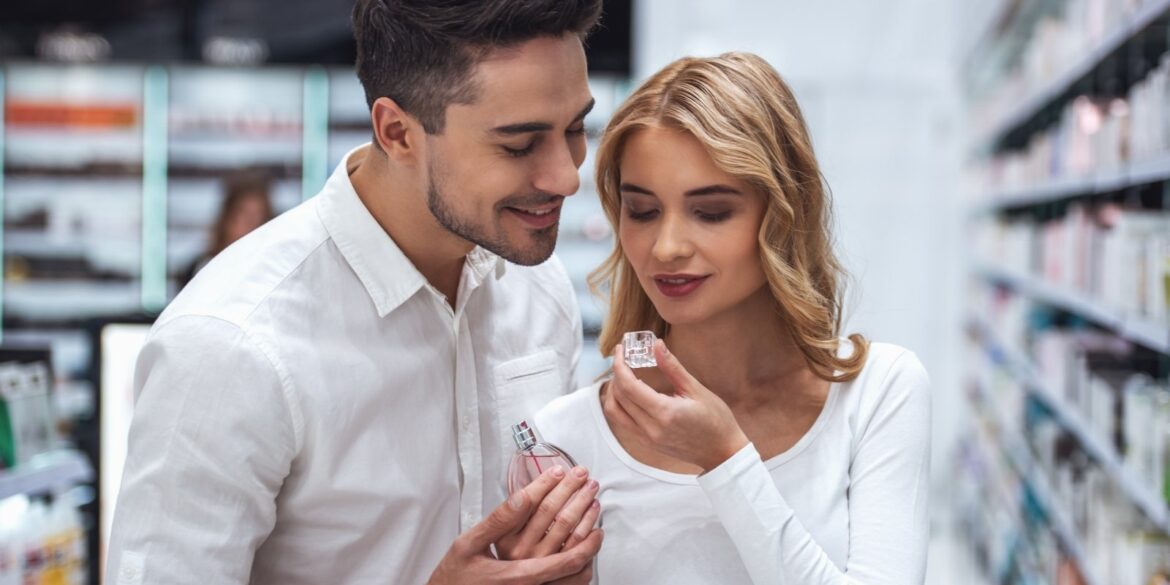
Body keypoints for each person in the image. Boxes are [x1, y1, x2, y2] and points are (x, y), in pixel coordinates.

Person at [107, 2, 608, 584]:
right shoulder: (231, 344)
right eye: (520, 145)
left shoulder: (538, 288)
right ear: (397, 132)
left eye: (574, 129)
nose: (567, 176)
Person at [532, 52, 932, 584]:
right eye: (643, 211)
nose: (666, 247)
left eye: (712, 211)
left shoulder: (879, 393)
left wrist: (725, 458)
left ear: (784, 214)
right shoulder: (566, 435)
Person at [180, 169, 275, 287]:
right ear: (227, 219)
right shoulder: (199, 270)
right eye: (244, 215)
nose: (252, 225)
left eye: (259, 217)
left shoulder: (273, 274)